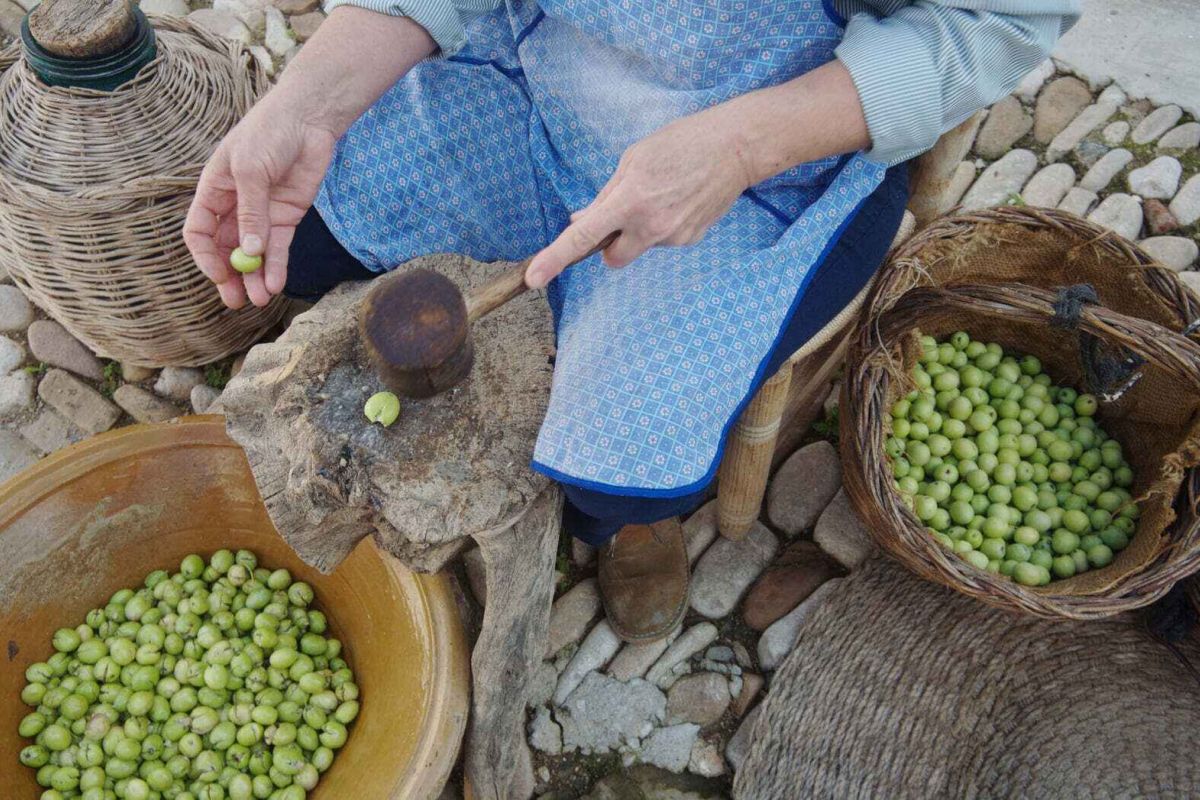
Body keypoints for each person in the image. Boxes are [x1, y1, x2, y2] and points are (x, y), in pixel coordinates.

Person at [186, 0, 1081, 643]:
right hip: (547, 59)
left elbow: (992, 23)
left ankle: (628, 525)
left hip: (772, 140)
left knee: (624, 482)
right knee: (298, 240)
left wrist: (737, 146)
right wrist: (305, 105)